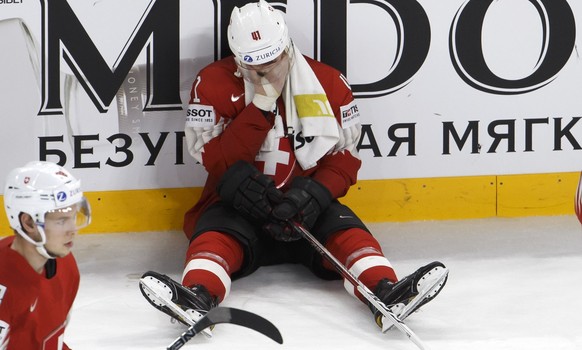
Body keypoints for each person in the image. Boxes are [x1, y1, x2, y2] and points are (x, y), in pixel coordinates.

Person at [140, 0, 448, 332]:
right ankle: (198, 297)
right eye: (253, 67)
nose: (264, 73)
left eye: (272, 62)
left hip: (306, 214)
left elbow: (345, 158)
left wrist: (315, 193)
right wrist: (261, 104)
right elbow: (213, 158)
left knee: (346, 229)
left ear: (286, 46)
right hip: (237, 208)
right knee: (214, 232)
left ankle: (387, 291)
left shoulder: (329, 82)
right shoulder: (212, 82)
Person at [0, 161, 91, 349]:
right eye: (61, 221)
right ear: (29, 223)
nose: (73, 229)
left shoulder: (67, 265)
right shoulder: (4, 290)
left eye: (73, 217)